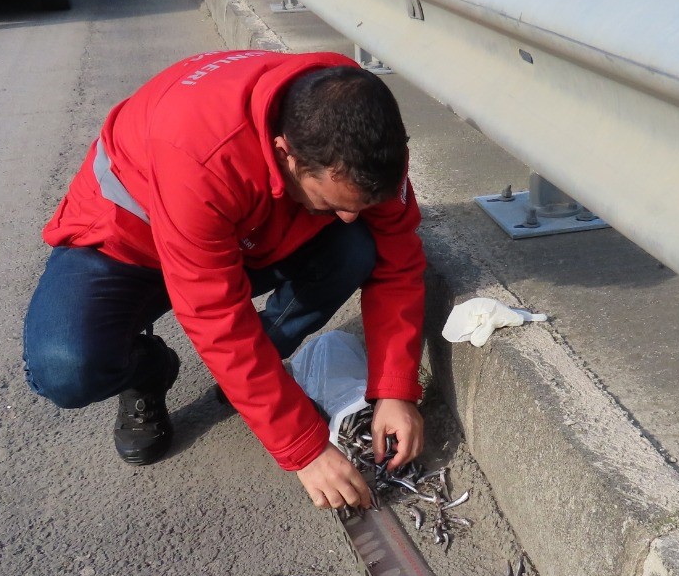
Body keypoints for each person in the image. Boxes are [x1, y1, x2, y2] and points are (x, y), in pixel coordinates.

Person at [22, 50, 426, 511]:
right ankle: (148, 370)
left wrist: (394, 389)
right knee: (64, 369)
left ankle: (259, 372)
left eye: (358, 204)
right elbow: (215, 314)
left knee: (357, 245)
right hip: (127, 245)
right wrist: (305, 448)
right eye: (331, 202)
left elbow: (399, 261)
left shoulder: (363, 136)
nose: (349, 214)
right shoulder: (199, 154)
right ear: (285, 154)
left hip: (247, 231)